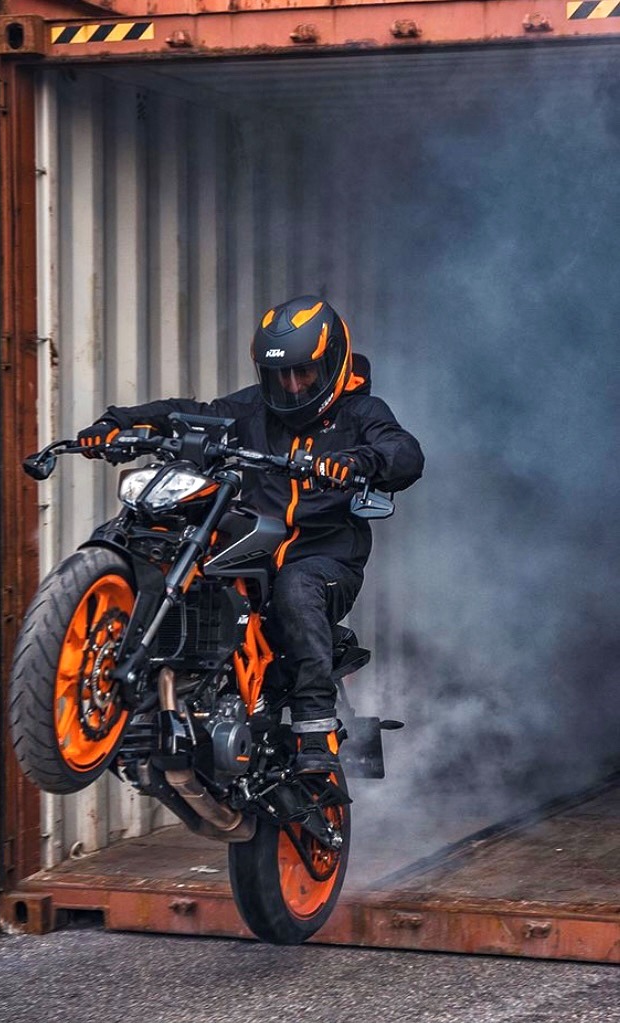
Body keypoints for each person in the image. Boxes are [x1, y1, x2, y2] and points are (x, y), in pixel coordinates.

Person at [77, 295, 424, 773]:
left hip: (323, 559)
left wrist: (355, 461)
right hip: (252, 550)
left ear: (333, 363)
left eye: (304, 373)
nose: (292, 385)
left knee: (296, 590)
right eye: (279, 375)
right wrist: (119, 423)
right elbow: (189, 413)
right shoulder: (251, 410)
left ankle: (315, 729)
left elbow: (404, 452)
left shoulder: (361, 413)